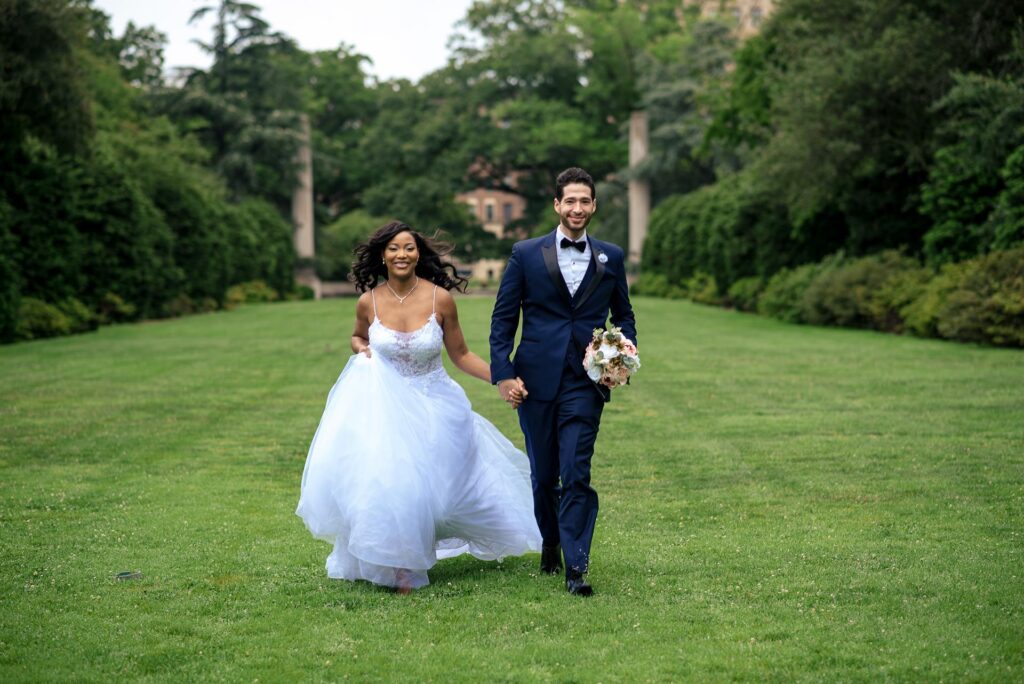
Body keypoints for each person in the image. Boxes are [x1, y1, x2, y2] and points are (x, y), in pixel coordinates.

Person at [297, 221, 541, 591]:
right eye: (394, 248)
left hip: (435, 404)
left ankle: (427, 542)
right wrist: (360, 348)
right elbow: (358, 335)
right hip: (385, 407)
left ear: (418, 254)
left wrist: (502, 377)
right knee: (392, 482)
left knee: (438, 493)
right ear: (383, 255)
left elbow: (460, 355)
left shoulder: (439, 299)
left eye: (409, 248)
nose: (401, 255)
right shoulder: (369, 301)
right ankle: (401, 567)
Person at [489, 167, 638, 596]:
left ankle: (577, 568)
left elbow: (624, 314)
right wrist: (504, 374)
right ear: (557, 205)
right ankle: (550, 541)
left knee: (575, 471)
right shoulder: (525, 254)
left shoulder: (611, 257)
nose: (577, 208)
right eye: (569, 201)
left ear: (594, 206)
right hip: (534, 380)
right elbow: (503, 320)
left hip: (586, 382)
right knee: (543, 476)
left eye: (584, 201)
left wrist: (621, 355)